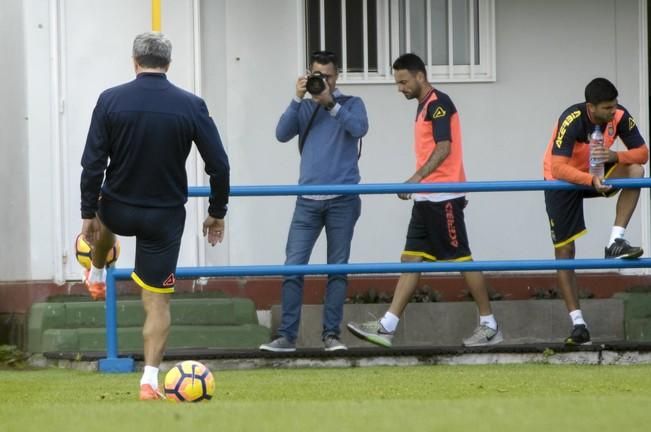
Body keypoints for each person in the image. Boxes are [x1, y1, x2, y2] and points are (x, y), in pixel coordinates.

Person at [79, 32, 230, 400]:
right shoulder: (191, 105)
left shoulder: (110, 100)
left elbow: (93, 163)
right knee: (157, 300)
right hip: (164, 216)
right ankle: (148, 379)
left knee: (104, 220)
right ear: (169, 64)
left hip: (118, 206)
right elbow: (219, 165)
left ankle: (96, 272)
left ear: (134, 61)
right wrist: (216, 212)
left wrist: (87, 213)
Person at [347, 53, 502, 348]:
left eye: (404, 81)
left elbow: (444, 148)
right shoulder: (423, 106)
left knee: (462, 260)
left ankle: (489, 324)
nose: (400, 88)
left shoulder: (439, 104)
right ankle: (387, 326)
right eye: (397, 82)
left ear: (421, 76)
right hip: (427, 197)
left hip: (442, 195)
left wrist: (416, 178)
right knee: (411, 259)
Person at [259, 51, 368, 352]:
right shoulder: (304, 107)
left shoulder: (351, 103)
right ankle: (287, 337)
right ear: (310, 75)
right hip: (307, 200)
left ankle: (331, 336)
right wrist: (296, 98)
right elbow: (281, 134)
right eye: (318, 76)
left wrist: (330, 103)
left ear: (337, 76)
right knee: (293, 267)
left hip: (343, 199)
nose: (324, 82)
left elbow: (359, 129)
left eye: (329, 77)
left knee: (337, 270)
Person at [542, 77, 648, 345]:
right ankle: (578, 323)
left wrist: (616, 157)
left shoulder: (620, 115)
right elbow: (557, 167)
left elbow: (642, 153)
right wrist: (590, 180)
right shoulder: (572, 119)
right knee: (565, 250)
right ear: (591, 107)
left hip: (597, 173)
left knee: (636, 171)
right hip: (563, 180)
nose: (614, 112)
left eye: (615, 106)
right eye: (607, 108)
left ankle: (615, 240)